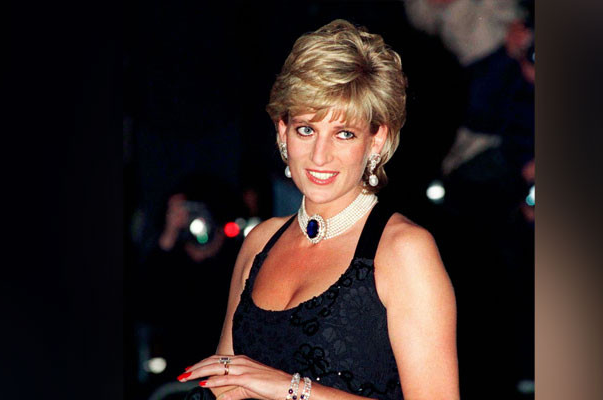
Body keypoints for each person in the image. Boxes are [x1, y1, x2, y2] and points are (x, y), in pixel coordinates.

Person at [179, 20, 459, 400]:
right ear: (282, 131)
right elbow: (226, 386)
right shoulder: (259, 242)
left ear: (377, 140)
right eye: (306, 129)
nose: (320, 155)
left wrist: (291, 388)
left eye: (344, 133)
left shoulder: (403, 251)